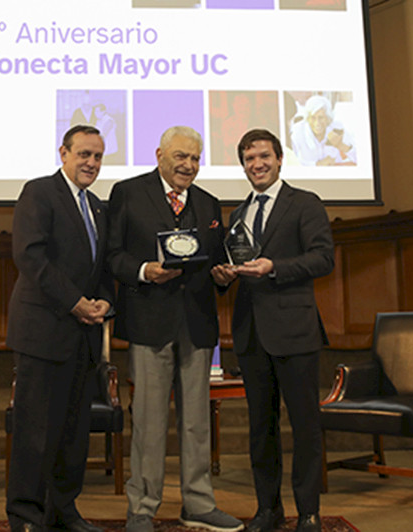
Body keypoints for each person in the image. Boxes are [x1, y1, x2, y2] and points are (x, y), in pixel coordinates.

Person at [107, 126, 243, 532]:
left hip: (198, 326)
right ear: (160, 155)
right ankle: (142, 509)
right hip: (149, 323)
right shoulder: (128, 193)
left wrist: (225, 276)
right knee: (148, 422)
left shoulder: (209, 204)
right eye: (181, 156)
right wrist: (144, 270)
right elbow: (111, 255)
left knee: (196, 422)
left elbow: (218, 263)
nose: (188, 165)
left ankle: (198, 504)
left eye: (195, 159)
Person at [211, 129, 334, 532]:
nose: (257, 165)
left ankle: (309, 512)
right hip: (251, 335)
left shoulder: (305, 203)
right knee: (260, 429)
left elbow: (322, 258)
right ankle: (269, 509)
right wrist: (223, 276)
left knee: (304, 426)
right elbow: (237, 266)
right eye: (248, 159)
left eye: (264, 156)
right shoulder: (238, 214)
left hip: (295, 332)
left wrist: (274, 267)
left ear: (280, 159)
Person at [5, 125, 114, 532]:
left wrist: (105, 301)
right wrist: (75, 303)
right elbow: (31, 257)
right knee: (35, 433)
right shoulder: (39, 192)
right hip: (44, 333)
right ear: (63, 153)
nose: (91, 163)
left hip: (83, 337)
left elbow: (99, 267)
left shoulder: (98, 208)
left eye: (98, 157)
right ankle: (26, 516)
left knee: (73, 435)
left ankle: (63, 511)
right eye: (84, 154)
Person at [289, 95, 356, 166]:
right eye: (313, 118)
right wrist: (318, 164)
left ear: (328, 118)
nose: (317, 123)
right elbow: (292, 163)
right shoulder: (297, 132)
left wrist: (340, 145)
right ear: (307, 119)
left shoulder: (337, 129)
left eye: (321, 118)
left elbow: (359, 159)